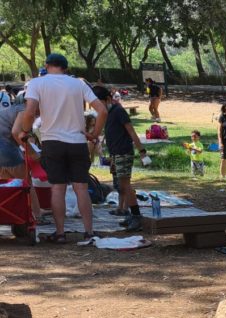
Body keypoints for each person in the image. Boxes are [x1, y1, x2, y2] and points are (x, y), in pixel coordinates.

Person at [18, 53, 107, 243]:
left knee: (57, 188)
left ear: (47, 65)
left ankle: (60, 233)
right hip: (77, 141)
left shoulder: (36, 83)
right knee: (81, 188)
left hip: (52, 142)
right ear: (65, 68)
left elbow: (30, 111)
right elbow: (102, 110)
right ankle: (89, 232)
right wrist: (94, 134)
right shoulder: (79, 83)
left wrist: (25, 131)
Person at [93, 86, 148, 231]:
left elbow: (131, 131)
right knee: (120, 185)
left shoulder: (118, 111)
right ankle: (129, 213)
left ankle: (136, 216)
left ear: (108, 99)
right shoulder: (106, 113)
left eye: (99, 103)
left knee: (125, 184)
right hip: (114, 154)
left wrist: (142, 151)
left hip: (123, 152)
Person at [0, 94, 41, 219]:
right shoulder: (23, 111)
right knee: (26, 183)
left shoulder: (14, 109)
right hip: (6, 149)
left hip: (4, 149)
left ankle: (12, 214)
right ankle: (36, 215)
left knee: (7, 185)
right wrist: (33, 154)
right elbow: (16, 132)